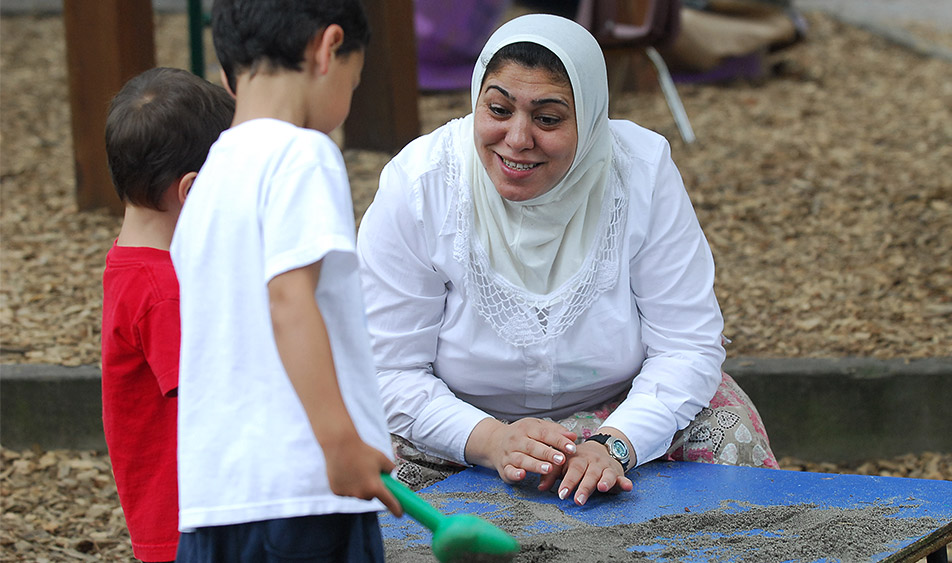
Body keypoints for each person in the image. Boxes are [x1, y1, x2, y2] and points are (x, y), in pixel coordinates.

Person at [357, 13, 779, 507]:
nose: (517, 139)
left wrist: (618, 443)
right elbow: (387, 371)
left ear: (592, 118)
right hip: (456, 426)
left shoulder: (639, 173)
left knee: (727, 433)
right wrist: (491, 441)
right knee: (357, 485)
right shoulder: (421, 185)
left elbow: (687, 345)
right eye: (497, 109)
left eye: (548, 118)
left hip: (616, 412)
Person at [169, 1, 402, 561]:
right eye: (355, 78)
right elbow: (289, 298)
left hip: (215, 499)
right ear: (328, 50)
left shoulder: (206, 182)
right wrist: (339, 440)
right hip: (306, 488)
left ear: (229, 73)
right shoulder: (302, 154)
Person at [101, 67, 234, 563]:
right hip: (189, 522)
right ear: (193, 191)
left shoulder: (131, 262)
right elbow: (216, 398)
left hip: (175, 515)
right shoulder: (164, 292)